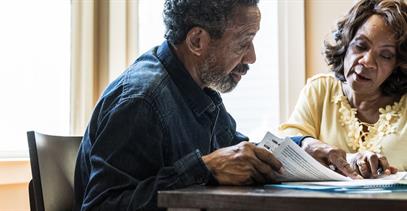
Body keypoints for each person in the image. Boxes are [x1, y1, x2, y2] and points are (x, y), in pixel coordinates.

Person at [74, 0, 361, 210]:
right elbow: (101, 206)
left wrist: (305, 147)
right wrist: (204, 169)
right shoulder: (141, 100)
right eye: (243, 42)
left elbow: (239, 153)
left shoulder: (197, 90)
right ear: (197, 40)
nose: (252, 57)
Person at [279, 0, 407, 178]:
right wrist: (310, 144)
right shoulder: (320, 89)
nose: (367, 62)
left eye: (385, 55)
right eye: (360, 46)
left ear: (398, 64)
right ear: (346, 43)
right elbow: (283, 146)